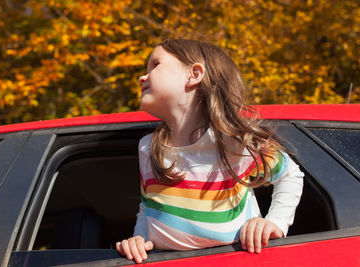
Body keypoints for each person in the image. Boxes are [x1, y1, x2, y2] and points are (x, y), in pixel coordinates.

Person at [115, 39, 304, 263]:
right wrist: (139, 238)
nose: (142, 77)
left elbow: (290, 175)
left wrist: (274, 223)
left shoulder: (233, 141)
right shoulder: (148, 147)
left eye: (155, 65)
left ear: (194, 74)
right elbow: (148, 205)